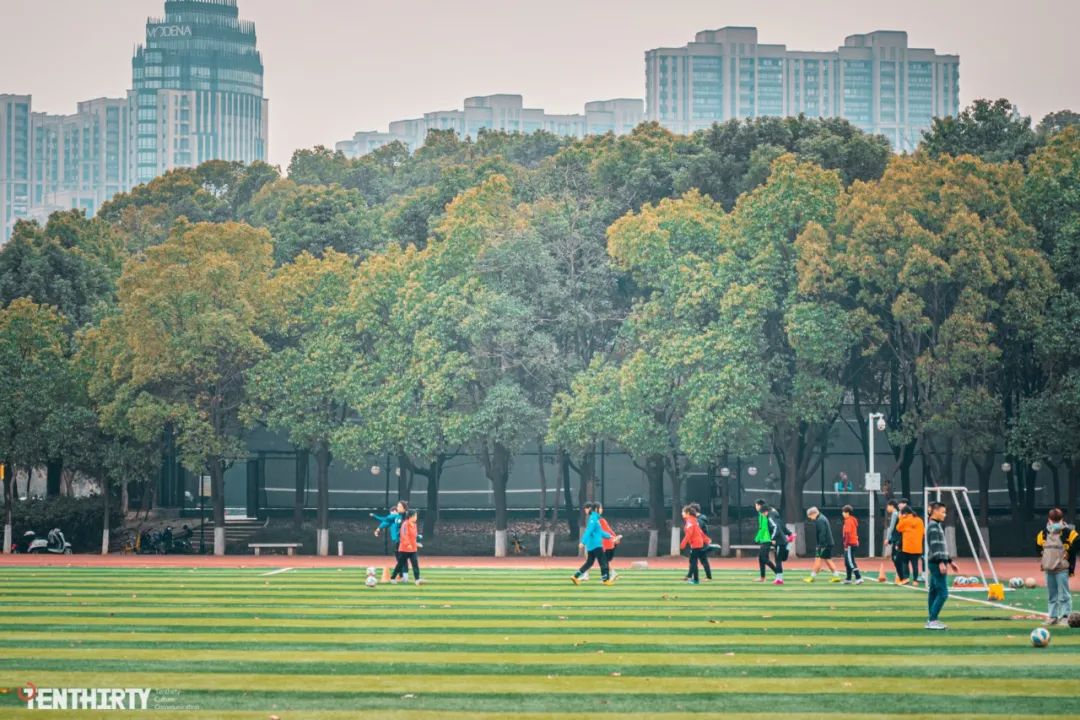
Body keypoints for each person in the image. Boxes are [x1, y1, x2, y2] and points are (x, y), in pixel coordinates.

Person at [1036, 508, 1079, 625]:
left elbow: (1075, 548)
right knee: (1052, 594)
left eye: (1057, 521)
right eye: (1053, 521)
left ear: (1062, 520)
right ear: (1049, 520)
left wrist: (1070, 564)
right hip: (1049, 569)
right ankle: (1053, 616)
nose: (1055, 523)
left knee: (1064, 594)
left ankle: (1066, 616)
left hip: (1062, 569)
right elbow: (1039, 549)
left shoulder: (1070, 533)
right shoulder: (1043, 534)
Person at [925, 502, 959, 629]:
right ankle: (932, 620)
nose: (944, 515)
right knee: (943, 593)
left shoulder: (935, 525)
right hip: (936, 562)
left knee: (933, 592)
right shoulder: (934, 526)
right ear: (935, 512)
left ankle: (931, 619)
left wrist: (949, 561)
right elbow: (934, 546)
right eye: (943, 512)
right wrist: (941, 562)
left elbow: (940, 546)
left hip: (936, 561)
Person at [571, 503, 619, 585]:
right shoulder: (594, 518)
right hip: (596, 545)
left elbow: (600, 532)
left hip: (591, 545)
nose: (601, 510)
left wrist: (611, 537)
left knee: (589, 562)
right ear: (596, 509)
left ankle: (575, 576)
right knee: (603, 562)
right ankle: (606, 580)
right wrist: (583, 542)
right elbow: (589, 531)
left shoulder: (595, 518)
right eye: (600, 508)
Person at [804, 507, 842, 583]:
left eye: (810, 517)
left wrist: (820, 545)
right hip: (828, 543)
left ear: (813, 513)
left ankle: (812, 577)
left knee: (818, 559)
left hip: (824, 544)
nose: (811, 519)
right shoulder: (822, 518)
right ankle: (836, 576)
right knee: (828, 559)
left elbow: (822, 533)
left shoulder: (820, 520)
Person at [753, 499, 782, 584]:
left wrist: (757, 538)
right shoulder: (762, 513)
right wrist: (758, 538)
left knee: (764, 558)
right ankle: (763, 577)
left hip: (767, 539)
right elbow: (761, 528)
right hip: (764, 539)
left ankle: (778, 573)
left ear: (759, 505)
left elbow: (764, 528)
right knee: (761, 558)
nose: (755, 507)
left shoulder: (764, 514)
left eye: (756, 505)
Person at [390, 509, 423, 585]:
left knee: (415, 564)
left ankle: (417, 580)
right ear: (411, 516)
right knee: (400, 564)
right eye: (415, 515)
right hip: (404, 549)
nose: (416, 517)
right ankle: (393, 578)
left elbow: (414, 536)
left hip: (413, 549)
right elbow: (404, 535)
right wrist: (408, 544)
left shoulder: (414, 525)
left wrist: (417, 543)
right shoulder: (405, 524)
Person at [680, 504, 711, 585]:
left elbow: (689, 534)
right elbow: (700, 532)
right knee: (694, 561)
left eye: (683, 512)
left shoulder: (690, 521)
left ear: (687, 513)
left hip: (695, 544)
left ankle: (696, 580)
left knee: (693, 562)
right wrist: (706, 539)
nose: (682, 513)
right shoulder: (694, 520)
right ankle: (695, 579)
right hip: (698, 543)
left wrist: (683, 543)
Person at [895, 506, 925, 586]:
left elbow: (898, 528)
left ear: (905, 514)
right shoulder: (919, 520)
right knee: (915, 564)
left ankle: (906, 578)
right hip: (917, 546)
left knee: (905, 563)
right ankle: (915, 580)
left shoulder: (905, 521)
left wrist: (901, 518)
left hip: (907, 546)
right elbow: (923, 532)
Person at [689, 503, 714, 581]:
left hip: (700, 543)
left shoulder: (699, 520)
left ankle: (692, 576)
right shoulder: (700, 519)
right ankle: (707, 576)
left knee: (696, 560)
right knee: (700, 560)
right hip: (700, 543)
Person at [841, 505, 864, 584]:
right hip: (852, 542)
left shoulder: (848, 520)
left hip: (850, 543)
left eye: (843, 512)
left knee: (850, 561)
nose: (842, 514)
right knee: (847, 562)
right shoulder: (852, 520)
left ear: (847, 513)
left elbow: (847, 533)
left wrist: (846, 544)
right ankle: (848, 578)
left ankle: (859, 577)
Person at [877, 499, 899, 582]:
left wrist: (887, 538)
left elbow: (891, 527)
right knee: (895, 556)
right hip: (896, 537)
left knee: (895, 556)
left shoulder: (895, 514)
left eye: (887, 506)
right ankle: (899, 573)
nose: (887, 508)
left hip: (896, 538)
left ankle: (899, 573)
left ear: (891, 506)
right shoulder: (896, 514)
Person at [598, 503, 621, 581]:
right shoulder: (600, 520)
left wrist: (615, 538)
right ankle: (613, 574)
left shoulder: (601, 521)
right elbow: (609, 530)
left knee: (603, 562)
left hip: (607, 544)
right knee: (604, 561)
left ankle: (606, 577)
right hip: (607, 544)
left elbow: (607, 531)